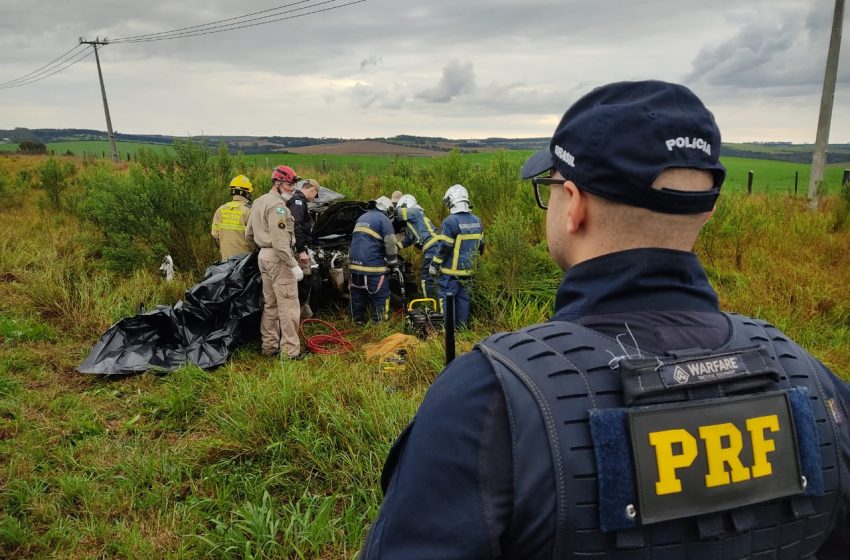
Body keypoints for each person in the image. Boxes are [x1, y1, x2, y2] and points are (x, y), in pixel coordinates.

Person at [360, 80, 850, 559]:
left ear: (573, 204)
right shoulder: (814, 381)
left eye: (551, 186)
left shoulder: (486, 399)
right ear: (708, 210)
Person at [245, 166, 306, 360]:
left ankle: (269, 346)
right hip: (279, 258)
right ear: (277, 183)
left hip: (263, 255)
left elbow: (248, 233)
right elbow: (280, 242)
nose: (292, 188)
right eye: (289, 184)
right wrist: (293, 265)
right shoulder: (278, 206)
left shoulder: (259, 201)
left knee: (270, 304)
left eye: (294, 184)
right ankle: (290, 352)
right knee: (288, 305)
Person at [429, 184, 484, 328]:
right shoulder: (477, 220)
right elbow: (481, 246)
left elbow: (445, 247)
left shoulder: (451, 221)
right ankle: (462, 332)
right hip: (469, 272)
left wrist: (434, 264)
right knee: (464, 300)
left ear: (452, 201)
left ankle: (448, 335)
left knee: (447, 301)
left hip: (450, 273)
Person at [348, 196, 399, 324]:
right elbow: (391, 242)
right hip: (373, 269)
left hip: (354, 267)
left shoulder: (362, 217)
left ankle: (356, 322)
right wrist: (393, 262)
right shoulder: (383, 219)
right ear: (386, 209)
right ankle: (379, 324)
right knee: (381, 296)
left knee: (357, 297)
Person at [394, 194, 441, 299]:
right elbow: (409, 240)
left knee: (426, 278)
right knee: (437, 276)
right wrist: (395, 247)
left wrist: (382, 211)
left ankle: (430, 305)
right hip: (437, 246)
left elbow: (396, 213)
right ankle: (439, 301)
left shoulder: (413, 212)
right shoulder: (415, 220)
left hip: (432, 247)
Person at [288, 179, 320, 319]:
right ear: (313, 189)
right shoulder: (298, 202)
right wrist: (301, 250)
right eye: (315, 195)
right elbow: (297, 226)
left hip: (301, 247)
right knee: (304, 281)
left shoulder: (298, 201)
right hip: (298, 250)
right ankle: (299, 315)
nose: (314, 199)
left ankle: (304, 313)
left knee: (304, 281)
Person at [211, 175, 255, 260]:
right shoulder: (249, 211)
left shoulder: (220, 210)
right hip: (245, 262)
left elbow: (215, 236)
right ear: (247, 193)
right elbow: (256, 238)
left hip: (225, 261)